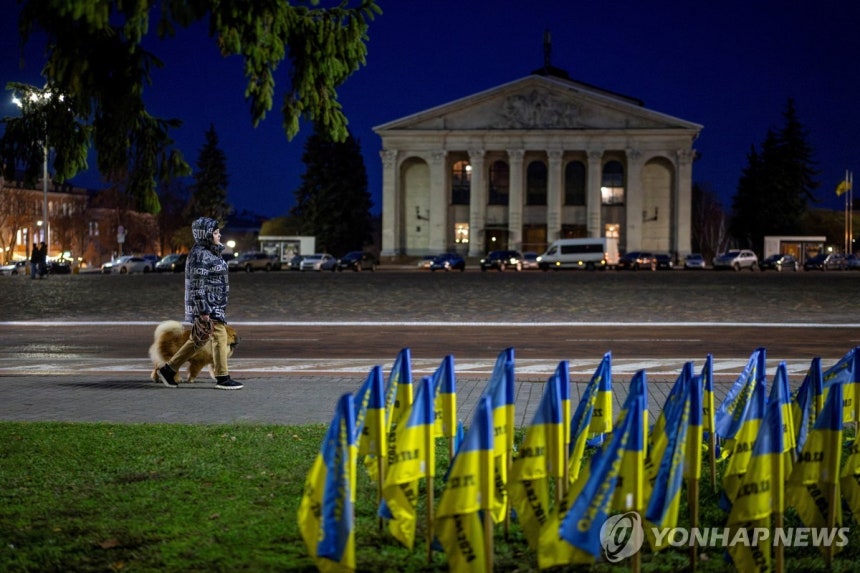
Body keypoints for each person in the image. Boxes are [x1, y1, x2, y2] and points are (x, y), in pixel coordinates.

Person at [156, 217, 243, 390]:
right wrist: (203, 310)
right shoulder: (200, 254)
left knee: (198, 340)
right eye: (216, 232)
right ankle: (222, 377)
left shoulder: (208, 252)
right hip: (208, 307)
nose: (219, 235)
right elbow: (197, 284)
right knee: (220, 336)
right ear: (206, 235)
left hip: (213, 304)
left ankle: (168, 369)